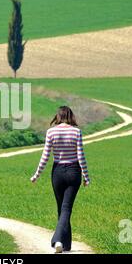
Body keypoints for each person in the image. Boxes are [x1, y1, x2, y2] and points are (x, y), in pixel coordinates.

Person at [30, 106, 90, 253]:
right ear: (71, 116)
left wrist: (37, 174)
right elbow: (81, 156)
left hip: (57, 172)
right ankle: (58, 240)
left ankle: (65, 245)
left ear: (57, 116)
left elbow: (45, 156)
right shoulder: (76, 132)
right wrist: (86, 176)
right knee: (66, 208)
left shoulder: (51, 132)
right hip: (73, 171)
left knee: (61, 208)